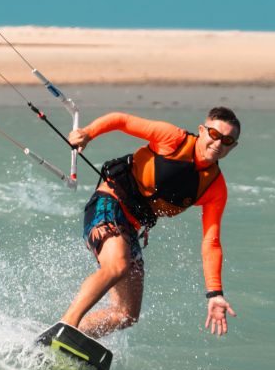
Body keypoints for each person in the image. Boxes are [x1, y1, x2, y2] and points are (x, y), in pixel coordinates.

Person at [62, 106, 241, 338]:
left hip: (130, 227)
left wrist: (214, 293)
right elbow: (121, 120)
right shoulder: (173, 139)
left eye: (227, 141)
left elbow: (211, 242)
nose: (218, 143)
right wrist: (88, 133)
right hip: (109, 203)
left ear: (233, 146)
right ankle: (67, 324)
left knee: (126, 314)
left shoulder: (214, 187)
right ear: (202, 130)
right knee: (117, 266)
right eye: (214, 134)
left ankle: (71, 338)